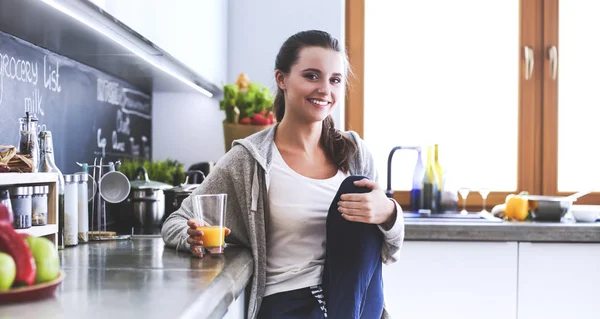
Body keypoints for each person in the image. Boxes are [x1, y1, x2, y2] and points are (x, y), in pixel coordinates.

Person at [162, 30, 404, 319]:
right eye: (312, 76)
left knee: (357, 189)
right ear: (282, 79)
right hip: (289, 303)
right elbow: (176, 221)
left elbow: (387, 252)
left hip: (354, 300)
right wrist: (193, 237)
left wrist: (389, 212)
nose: (325, 89)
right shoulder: (249, 160)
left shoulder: (355, 153)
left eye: (335, 80)